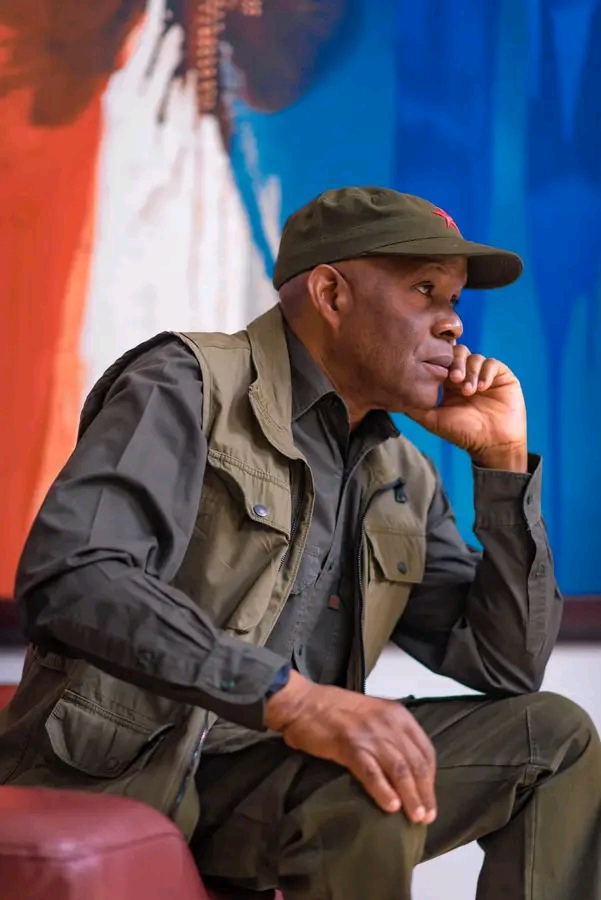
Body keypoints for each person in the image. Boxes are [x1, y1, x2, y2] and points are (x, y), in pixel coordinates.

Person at [2, 187, 599, 900]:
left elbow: (507, 667)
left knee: (553, 736)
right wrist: (291, 699)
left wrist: (502, 466)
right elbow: (74, 577)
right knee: (364, 796)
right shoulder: (185, 383)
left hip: (275, 777)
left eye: (454, 300)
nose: (453, 324)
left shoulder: (401, 473)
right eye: (424, 290)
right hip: (134, 766)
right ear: (331, 294)